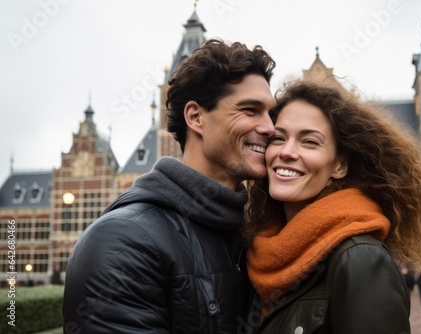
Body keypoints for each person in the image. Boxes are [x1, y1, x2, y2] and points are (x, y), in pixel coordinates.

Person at [63, 39, 276, 333]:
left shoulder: (248, 233)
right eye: (250, 110)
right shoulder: (122, 240)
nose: (270, 128)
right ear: (195, 117)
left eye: (270, 114)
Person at [242, 81, 421, 333]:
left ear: (340, 166)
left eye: (310, 142)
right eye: (279, 138)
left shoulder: (361, 260)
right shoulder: (258, 251)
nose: (287, 152)